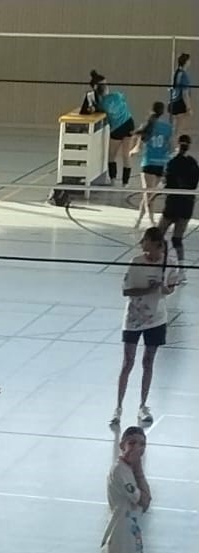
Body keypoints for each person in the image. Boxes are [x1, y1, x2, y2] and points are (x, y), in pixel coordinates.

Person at [112, 226, 174, 429]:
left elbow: (171, 288)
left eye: (147, 241)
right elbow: (126, 291)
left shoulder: (169, 263)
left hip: (156, 320)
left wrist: (164, 289)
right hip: (134, 319)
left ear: (157, 245)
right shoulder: (136, 262)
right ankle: (118, 408)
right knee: (128, 362)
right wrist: (148, 289)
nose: (143, 245)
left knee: (148, 362)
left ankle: (143, 405)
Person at [85, 72, 135, 188]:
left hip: (118, 128)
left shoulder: (101, 104)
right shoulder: (117, 95)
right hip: (128, 124)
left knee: (112, 156)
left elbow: (95, 110)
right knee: (126, 155)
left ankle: (113, 180)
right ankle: (125, 183)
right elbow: (123, 100)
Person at [161, 133, 197, 276]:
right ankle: (181, 269)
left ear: (178, 144)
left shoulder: (172, 162)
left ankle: (162, 262)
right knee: (177, 239)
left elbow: (167, 182)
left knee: (159, 233)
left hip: (173, 203)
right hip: (187, 205)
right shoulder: (193, 163)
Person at [132, 101, 172, 226]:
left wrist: (134, 149)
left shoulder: (147, 125)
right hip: (161, 163)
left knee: (148, 194)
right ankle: (141, 220)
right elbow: (170, 146)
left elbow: (138, 143)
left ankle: (150, 220)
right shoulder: (167, 127)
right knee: (150, 195)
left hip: (148, 162)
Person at [168, 51, 191, 131]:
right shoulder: (184, 75)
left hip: (173, 102)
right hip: (180, 103)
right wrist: (188, 107)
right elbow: (185, 93)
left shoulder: (176, 72)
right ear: (186, 62)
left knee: (174, 128)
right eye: (189, 60)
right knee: (179, 130)